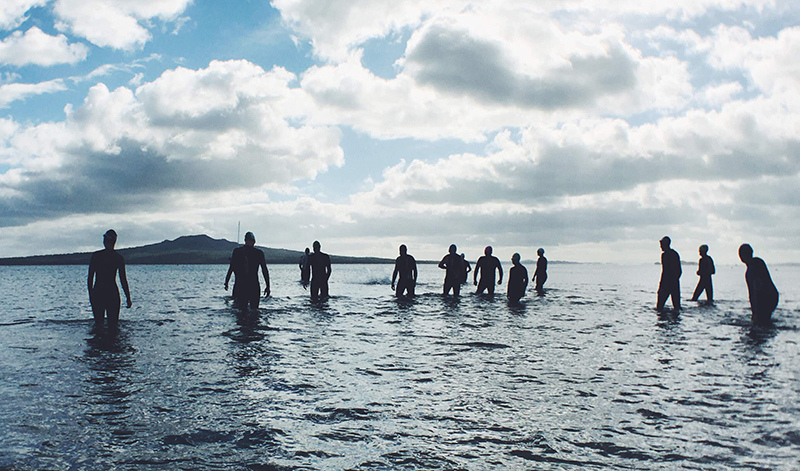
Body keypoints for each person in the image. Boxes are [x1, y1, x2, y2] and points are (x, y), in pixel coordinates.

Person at [87, 229, 132, 330]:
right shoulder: (118, 258)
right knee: (113, 326)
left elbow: (90, 277)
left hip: (98, 292)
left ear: (105, 241)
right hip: (112, 293)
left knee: (99, 325)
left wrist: (91, 294)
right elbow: (123, 280)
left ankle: (98, 344)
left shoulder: (96, 256)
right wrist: (128, 298)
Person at [224, 231, 270, 310]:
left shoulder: (238, 252)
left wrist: (226, 282)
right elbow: (264, 270)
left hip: (244, 285)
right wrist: (268, 286)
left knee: (243, 312)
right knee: (252, 311)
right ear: (254, 242)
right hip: (250, 285)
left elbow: (232, 267)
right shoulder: (257, 253)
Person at [739, 244, 779, 325]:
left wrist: (755, 311)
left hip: (764, 298)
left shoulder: (751, 269)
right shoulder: (759, 261)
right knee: (765, 321)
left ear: (741, 257)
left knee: (760, 323)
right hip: (773, 295)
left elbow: (756, 289)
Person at [656, 236, 682, 312]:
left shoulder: (665, 255)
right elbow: (679, 270)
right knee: (676, 307)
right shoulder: (675, 254)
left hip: (667, 282)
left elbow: (665, 271)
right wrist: (676, 279)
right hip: (674, 282)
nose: (660, 247)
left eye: (661, 245)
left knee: (660, 306)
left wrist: (662, 283)